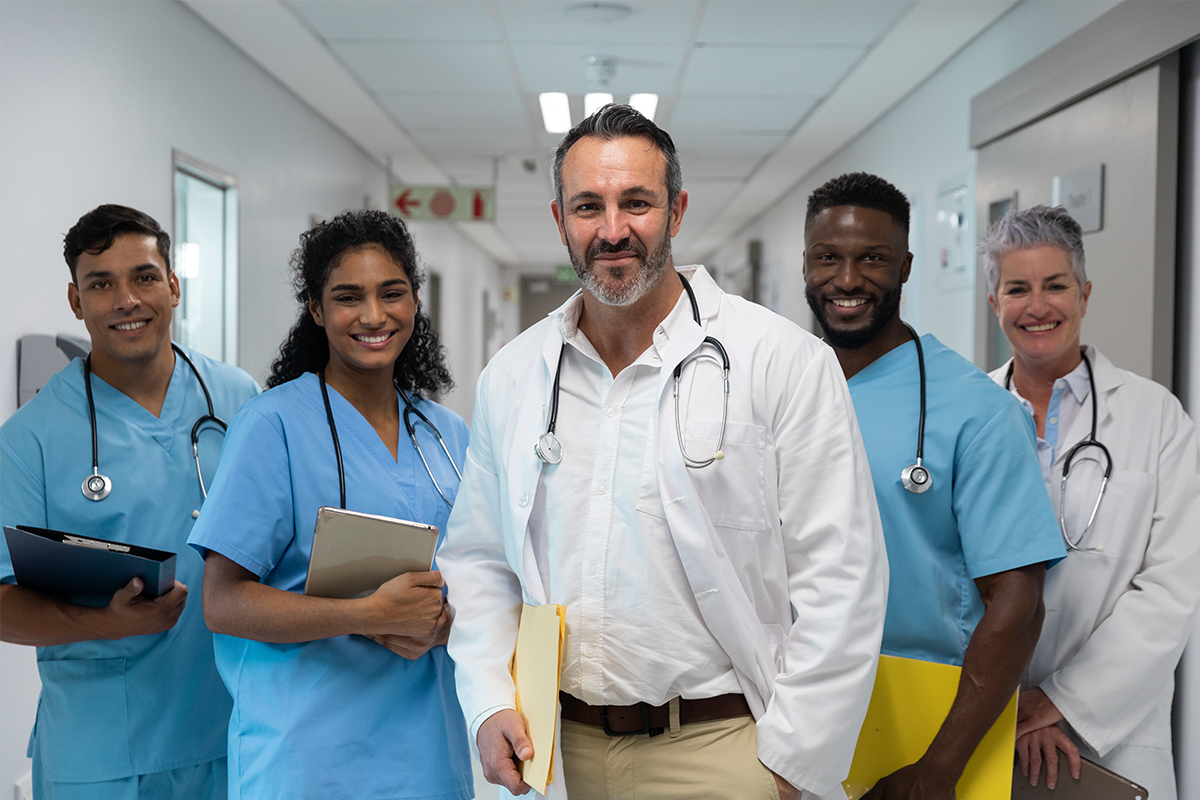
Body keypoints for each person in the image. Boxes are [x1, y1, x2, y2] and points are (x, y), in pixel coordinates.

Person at [438, 104, 888, 800]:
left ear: (675, 212)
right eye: (588, 206)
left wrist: (793, 763)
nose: (612, 230)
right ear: (560, 222)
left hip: (725, 748)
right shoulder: (514, 376)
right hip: (554, 751)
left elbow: (843, 577)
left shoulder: (782, 361)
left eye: (636, 203)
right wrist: (490, 699)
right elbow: (479, 561)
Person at [187, 209, 473, 800]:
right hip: (306, 759)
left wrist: (447, 623)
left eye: (391, 293)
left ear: (414, 301)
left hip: (428, 758)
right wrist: (367, 615)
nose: (373, 316)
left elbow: (481, 579)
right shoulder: (273, 425)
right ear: (317, 310)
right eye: (348, 297)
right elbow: (222, 602)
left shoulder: (446, 434)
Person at [802, 174, 1066, 800]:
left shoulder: (976, 411)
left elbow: (1018, 604)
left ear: (907, 266)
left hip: (925, 721)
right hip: (783, 714)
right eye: (827, 258)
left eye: (872, 258)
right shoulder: (774, 388)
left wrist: (937, 768)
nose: (846, 280)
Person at [0, 204, 260, 799]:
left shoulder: (238, 398)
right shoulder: (29, 439)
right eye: (101, 283)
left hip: (231, 731)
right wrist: (103, 623)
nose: (126, 300)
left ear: (172, 285)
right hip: (103, 750)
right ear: (75, 301)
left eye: (144, 277)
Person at [983, 205, 1200, 800]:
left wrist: (1061, 702)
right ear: (993, 303)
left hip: (1112, 732)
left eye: (1055, 286)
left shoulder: (1155, 418)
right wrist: (1007, 704)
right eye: (1017, 289)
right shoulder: (970, 414)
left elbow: (1172, 586)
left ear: (1084, 294)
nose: (1038, 306)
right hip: (986, 722)